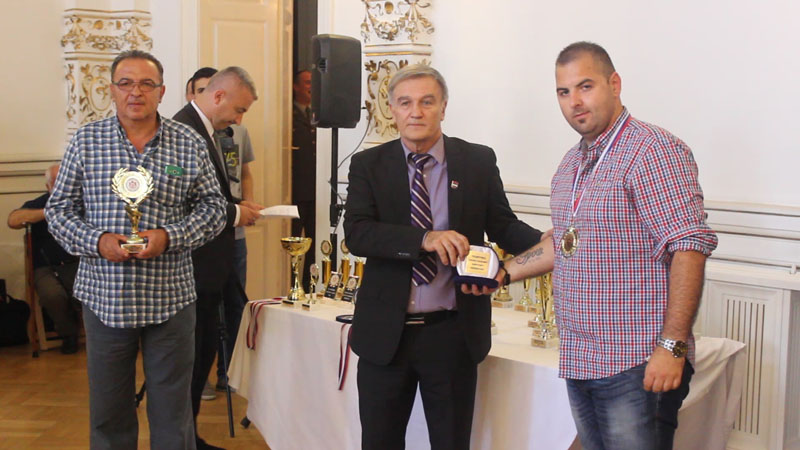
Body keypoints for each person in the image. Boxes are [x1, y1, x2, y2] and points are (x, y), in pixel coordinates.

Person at [476, 42, 719, 449]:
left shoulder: (652, 151)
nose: (574, 101)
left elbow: (689, 247)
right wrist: (502, 274)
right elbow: (566, 245)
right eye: (563, 91)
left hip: (636, 361)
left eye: (585, 86)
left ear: (614, 84)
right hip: (582, 358)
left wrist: (672, 347)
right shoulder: (571, 164)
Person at [343, 64, 541, 450]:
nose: (415, 112)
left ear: (444, 107)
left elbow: (503, 226)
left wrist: (548, 243)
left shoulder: (476, 161)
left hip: (452, 334)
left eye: (427, 102)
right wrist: (425, 238)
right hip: (386, 335)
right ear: (392, 110)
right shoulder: (369, 164)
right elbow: (358, 233)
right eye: (405, 103)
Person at [45, 49, 227, 449]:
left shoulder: (188, 143)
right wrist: (97, 241)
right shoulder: (86, 141)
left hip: (171, 297)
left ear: (162, 91)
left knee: (173, 414)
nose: (135, 92)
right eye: (125, 83)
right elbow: (57, 211)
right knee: (109, 413)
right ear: (111, 90)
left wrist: (169, 237)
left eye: (146, 84)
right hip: (105, 297)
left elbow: (215, 209)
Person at [172, 66, 262, 450]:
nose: (239, 120)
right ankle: (181, 439)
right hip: (192, 269)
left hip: (210, 269)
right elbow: (183, 201)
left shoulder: (207, 130)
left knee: (202, 353)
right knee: (189, 361)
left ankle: (188, 437)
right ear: (219, 96)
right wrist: (236, 212)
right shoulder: (183, 130)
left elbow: (210, 195)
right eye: (239, 110)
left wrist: (238, 206)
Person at [7, 164, 80, 354]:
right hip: (46, 267)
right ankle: (68, 334)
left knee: (91, 290)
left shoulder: (82, 201)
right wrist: (48, 212)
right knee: (52, 295)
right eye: (57, 181)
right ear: (48, 186)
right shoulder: (39, 202)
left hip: (77, 263)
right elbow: (13, 220)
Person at [291, 69, 316, 291]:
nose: (311, 87)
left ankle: (310, 286)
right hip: (295, 191)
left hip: (316, 192)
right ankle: (291, 285)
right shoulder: (287, 113)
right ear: (296, 86)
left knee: (314, 244)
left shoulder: (318, 113)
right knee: (293, 242)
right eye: (307, 82)